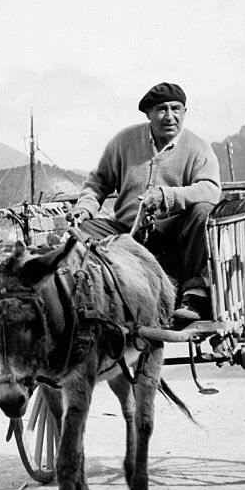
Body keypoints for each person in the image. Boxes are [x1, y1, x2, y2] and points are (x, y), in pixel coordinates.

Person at [69, 82, 221, 327]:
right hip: (128, 233)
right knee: (80, 233)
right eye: (162, 109)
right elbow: (97, 183)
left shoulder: (198, 148)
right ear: (148, 114)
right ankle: (98, 297)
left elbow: (211, 189)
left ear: (185, 112)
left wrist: (167, 197)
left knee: (203, 210)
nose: (170, 116)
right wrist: (85, 208)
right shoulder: (123, 143)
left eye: (176, 109)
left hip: (177, 238)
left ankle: (195, 295)